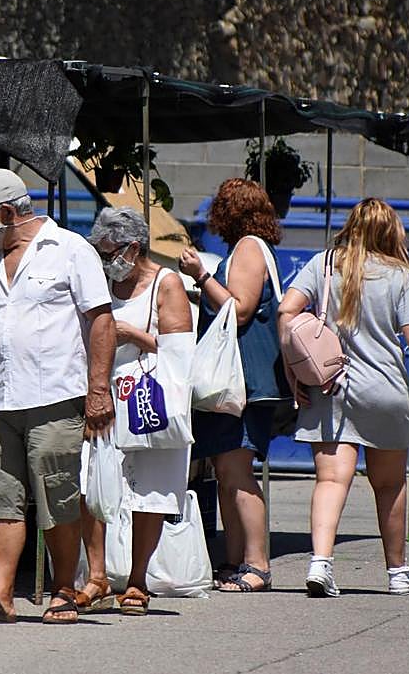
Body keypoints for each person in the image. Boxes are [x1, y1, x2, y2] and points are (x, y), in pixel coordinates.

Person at [0, 168, 115, 625]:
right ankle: (0, 596)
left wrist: (98, 390)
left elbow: (102, 321)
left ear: (7, 211)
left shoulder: (70, 250)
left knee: (58, 497)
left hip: (55, 397)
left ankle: (64, 589)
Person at [278, 197, 409, 598]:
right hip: (385, 390)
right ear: (390, 230)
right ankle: (397, 572)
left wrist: (293, 368)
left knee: (330, 479)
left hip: (331, 387)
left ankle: (320, 563)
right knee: (389, 484)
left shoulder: (325, 264)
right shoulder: (402, 275)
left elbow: (287, 311)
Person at [77, 207, 194, 616]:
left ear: (134, 247)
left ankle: (137, 581)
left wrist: (131, 334)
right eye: (101, 253)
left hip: (149, 400)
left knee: (151, 491)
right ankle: (96, 578)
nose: (108, 261)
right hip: (103, 395)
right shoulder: (99, 283)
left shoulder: (166, 284)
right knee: (92, 483)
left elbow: (180, 352)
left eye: (111, 253)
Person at [179, 178, 291, 593]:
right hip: (237, 383)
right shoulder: (248, 247)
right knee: (227, 471)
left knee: (238, 471)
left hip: (243, 383)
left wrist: (201, 274)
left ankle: (256, 564)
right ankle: (233, 560)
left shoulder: (248, 247)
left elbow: (240, 309)